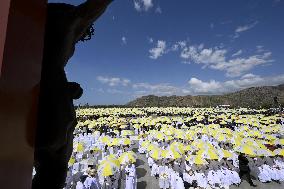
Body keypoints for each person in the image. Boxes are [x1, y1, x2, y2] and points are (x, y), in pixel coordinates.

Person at [33, 1, 113, 188]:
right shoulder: (67, 22)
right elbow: (89, 11)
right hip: (54, 108)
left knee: (53, 168)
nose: (73, 48)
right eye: (77, 37)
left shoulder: (39, 63)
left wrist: (66, 88)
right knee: (54, 170)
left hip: (55, 94)